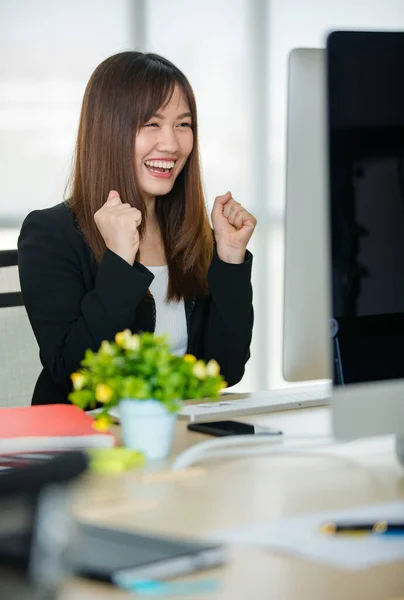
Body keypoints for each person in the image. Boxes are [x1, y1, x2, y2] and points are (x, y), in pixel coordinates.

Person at [18, 51, 256, 406]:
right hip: (92, 443)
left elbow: (226, 369)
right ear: (108, 130)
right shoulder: (50, 233)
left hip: (177, 438)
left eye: (183, 124)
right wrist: (117, 260)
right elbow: (72, 373)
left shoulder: (190, 234)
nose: (172, 144)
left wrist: (229, 257)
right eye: (151, 124)